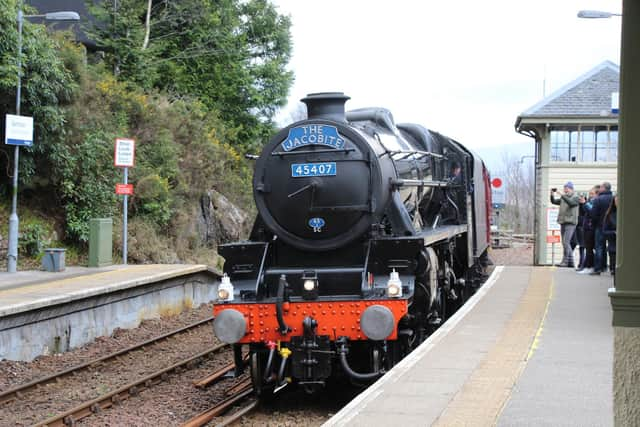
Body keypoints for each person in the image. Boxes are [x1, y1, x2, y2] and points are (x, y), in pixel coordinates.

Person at [550, 182, 580, 267]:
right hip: (563, 222)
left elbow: (571, 203)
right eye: (564, 188)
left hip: (571, 223)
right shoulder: (564, 198)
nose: (565, 190)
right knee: (565, 243)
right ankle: (570, 262)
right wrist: (552, 194)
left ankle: (566, 261)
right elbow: (554, 201)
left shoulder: (576, 197)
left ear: (571, 189)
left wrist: (562, 195)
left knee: (566, 242)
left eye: (567, 188)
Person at [589, 182, 614, 275]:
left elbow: (593, 214)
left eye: (601, 187)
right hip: (612, 226)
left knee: (599, 247)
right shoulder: (613, 198)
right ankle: (610, 268)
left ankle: (598, 268)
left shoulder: (598, 199)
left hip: (600, 226)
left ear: (603, 188)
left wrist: (594, 224)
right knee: (611, 248)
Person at [577, 185, 599, 274]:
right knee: (587, 248)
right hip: (586, 226)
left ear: (597, 194)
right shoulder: (590, 201)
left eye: (592, 193)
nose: (590, 195)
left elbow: (591, 212)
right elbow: (584, 212)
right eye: (589, 193)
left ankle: (590, 266)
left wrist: (585, 203)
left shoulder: (595, 202)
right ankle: (587, 265)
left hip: (591, 228)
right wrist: (583, 204)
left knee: (589, 248)